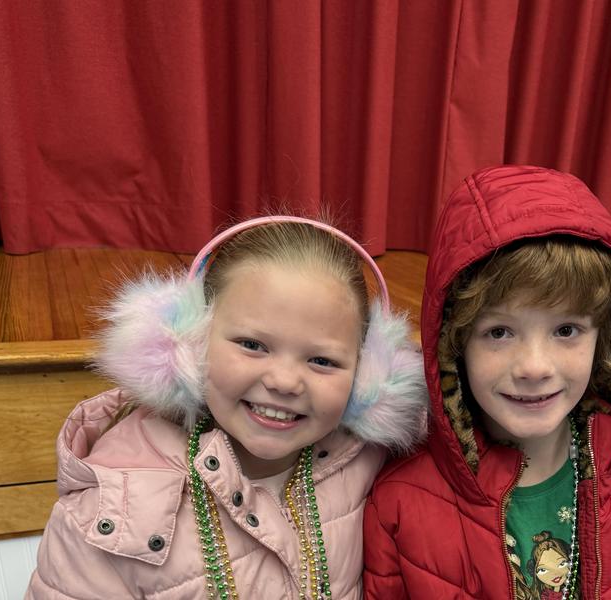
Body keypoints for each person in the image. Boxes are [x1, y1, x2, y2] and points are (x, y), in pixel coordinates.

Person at [26, 216, 429, 599]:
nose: (284, 382)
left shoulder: (372, 461)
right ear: (187, 343)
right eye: (253, 345)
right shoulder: (106, 514)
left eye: (322, 360)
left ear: (368, 379)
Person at [363, 165, 611, 599]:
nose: (535, 367)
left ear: (606, 338)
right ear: (455, 344)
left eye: (566, 330)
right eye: (499, 332)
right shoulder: (398, 502)